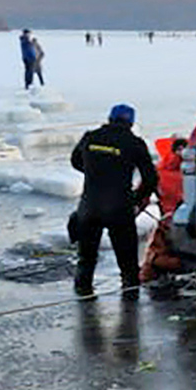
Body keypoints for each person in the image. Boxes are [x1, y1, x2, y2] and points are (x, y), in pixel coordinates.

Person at [71, 104, 157, 298]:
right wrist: (137, 197)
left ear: (109, 118)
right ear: (131, 123)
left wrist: (96, 172)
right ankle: (130, 303)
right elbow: (151, 178)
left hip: (89, 206)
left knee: (86, 258)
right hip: (119, 207)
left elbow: (75, 161)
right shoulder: (134, 143)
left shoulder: (90, 137)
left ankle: (83, 295)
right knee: (127, 260)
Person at [139, 135, 188, 283]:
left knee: (152, 262)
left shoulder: (158, 171)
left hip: (167, 225)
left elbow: (142, 198)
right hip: (195, 224)